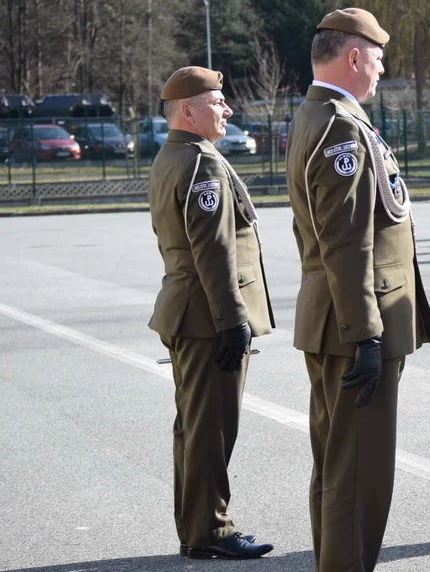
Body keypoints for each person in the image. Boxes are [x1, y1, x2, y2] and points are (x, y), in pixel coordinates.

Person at [286, 8, 430, 572]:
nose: (380, 69)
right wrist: (367, 334)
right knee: (359, 475)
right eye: (377, 58)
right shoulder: (340, 128)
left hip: (339, 320)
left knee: (338, 468)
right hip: (355, 324)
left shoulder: (322, 115)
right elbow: (345, 241)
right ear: (354, 57)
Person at [148, 66, 275, 561]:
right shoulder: (200, 163)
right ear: (187, 110)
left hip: (189, 313)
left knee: (197, 426)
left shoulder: (173, 156)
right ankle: (210, 531)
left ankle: (197, 528)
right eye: (217, 101)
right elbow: (214, 251)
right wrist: (233, 321)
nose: (226, 110)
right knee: (211, 429)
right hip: (207, 319)